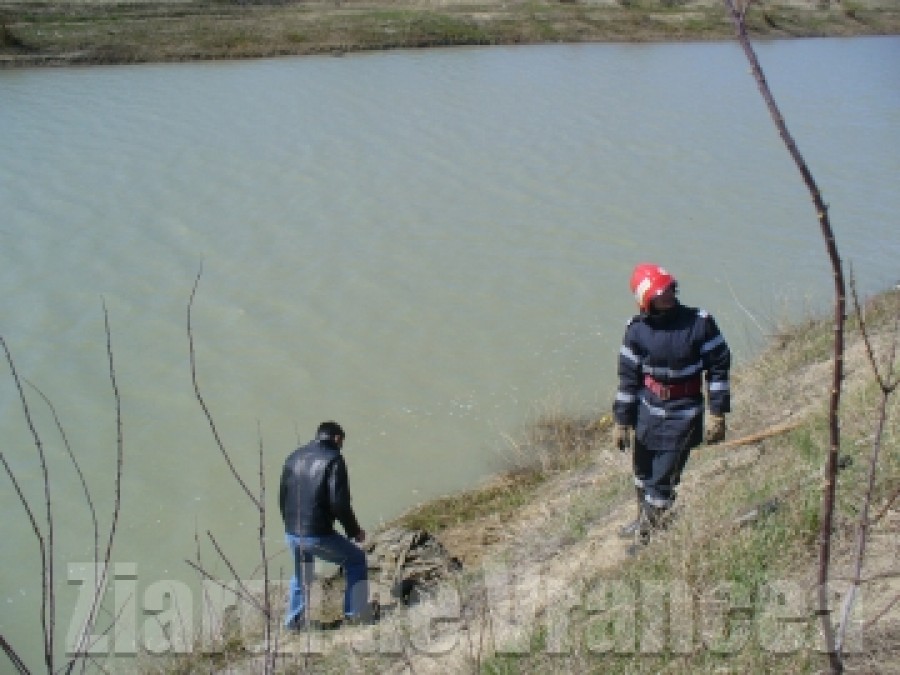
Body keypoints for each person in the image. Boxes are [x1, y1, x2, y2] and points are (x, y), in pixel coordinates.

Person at [612, 263, 731, 544]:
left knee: (661, 481)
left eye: (669, 289)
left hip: (683, 416)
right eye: (659, 292)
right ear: (646, 300)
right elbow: (628, 379)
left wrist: (718, 413)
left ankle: (648, 536)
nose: (667, 295)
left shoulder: (699, 324)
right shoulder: (636, 331)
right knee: (642, 474)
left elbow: (719, 368)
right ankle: (643, 518)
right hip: (647, 413)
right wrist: (621, 420)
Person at [279, 420, 369, 629]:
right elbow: (339, 503)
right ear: (337, 438)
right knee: (356, 560)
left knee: (302, 575)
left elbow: (282, 496)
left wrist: (291, 526)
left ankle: (293, 624)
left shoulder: (294, 457)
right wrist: (354, 531)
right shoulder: (334, 459)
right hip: (317, 533)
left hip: (292, 532)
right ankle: (355, 615)